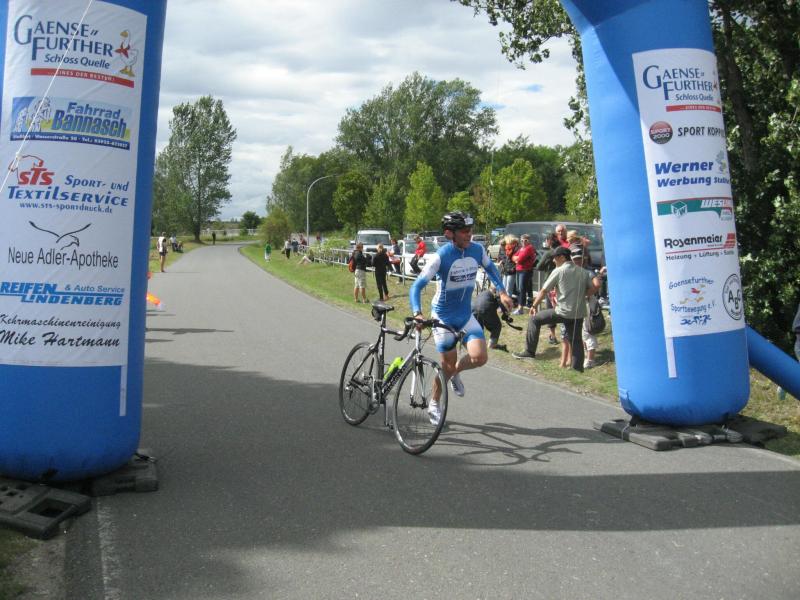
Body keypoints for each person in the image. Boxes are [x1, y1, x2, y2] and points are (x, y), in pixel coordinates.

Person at [410, 211, 513, 424]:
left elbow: (491, 269)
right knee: (446, 366)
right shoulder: (441, 256)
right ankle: (435, 402)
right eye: (465, 231)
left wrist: (502, 292)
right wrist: (417, 313)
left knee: (480, 357)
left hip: (465, 315)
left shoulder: (477, 250)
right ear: (450, 233)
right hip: (443, 317)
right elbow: (416, 286)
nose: (469, 234)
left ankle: (455, 371)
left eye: (470, 230)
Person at [512, 245, 599, 372]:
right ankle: (577, 369)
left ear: (562, 257)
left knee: (535, 319)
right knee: (576, 340)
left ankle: (529, 352)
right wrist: (583, 295)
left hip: (562, 312)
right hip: (578, 312)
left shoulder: (558, 271)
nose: (553, 260)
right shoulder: (583, 272)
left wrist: (534, 305)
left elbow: (544, 290)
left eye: (555, 257)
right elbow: (593, 288)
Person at [471, 286, 506, 351]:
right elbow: (502, 305)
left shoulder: (484, 292)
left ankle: (477, 345)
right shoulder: (497, 294)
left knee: (479, 329)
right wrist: (505, 314)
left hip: (473, 308)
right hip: (485, 308)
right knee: (497, 326)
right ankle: (492, 344)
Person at [512, 234, 536, 314]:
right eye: (522, 240)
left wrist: (517, 259)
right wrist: (516, 259)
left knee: (522, 289)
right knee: (519, 289)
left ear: (529, 241)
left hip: (525, 270)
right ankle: (520, 306)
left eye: (525, 240)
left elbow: (520, 259)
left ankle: (520, 309)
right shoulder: (521, 248)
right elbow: (513, 256)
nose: (523, 242)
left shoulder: (529, 248)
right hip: (519, 270)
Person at [500, 235, 519, 308]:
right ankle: (503, 305)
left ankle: (507, 306)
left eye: (508, 242)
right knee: (504, 288)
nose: (507, 243)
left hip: (512, 271)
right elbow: (505, 258)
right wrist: (503, 261)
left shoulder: (516, 249)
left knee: (508, 290)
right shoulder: (507, 248)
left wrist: (513, 268)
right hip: (506, 270)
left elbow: (516, 260)